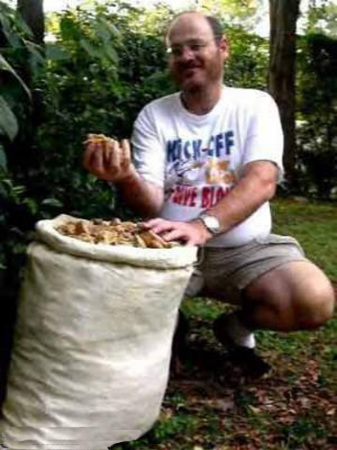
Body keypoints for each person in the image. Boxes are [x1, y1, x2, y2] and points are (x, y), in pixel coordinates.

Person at [83, 11, 335, 374]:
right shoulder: (155, 116)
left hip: (244, 251)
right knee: (106, 306)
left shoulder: (254, 105)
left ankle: (235, 329)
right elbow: (150, 201)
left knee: (312, 299)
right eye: (175, 50)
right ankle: (171, 325)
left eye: (196, 45)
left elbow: (263, 180)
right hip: (170, 249)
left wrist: (203, 227)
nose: (185, 56)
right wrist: (124, 177)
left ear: (223, 48)